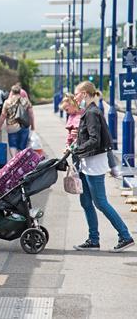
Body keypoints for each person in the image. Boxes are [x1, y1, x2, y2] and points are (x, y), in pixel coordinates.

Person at [72, 81, 134, 252]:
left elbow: (95, 140)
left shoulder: (92, 113)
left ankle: (125, 236)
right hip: (87, 164)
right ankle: (93, 240)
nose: (75, 98)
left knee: (100, 202)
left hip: (94, 165)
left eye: (76, 94)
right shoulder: (91, 111)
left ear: (84, 93)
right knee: (86, 202)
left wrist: (77, 148)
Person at [59, 93, 120, 176]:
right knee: (76, 156)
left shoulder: (87, 113)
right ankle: (77, 173)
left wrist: (79, 133)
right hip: (76, 143)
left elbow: (91, 130)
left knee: (105, 149)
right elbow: (69, 134)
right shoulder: (71, 117)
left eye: (67, 109)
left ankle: (113, 167)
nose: (67, 112)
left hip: (85, 142)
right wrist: (68, 144)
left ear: (72, 104)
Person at [0, 84, 35, 157]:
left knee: (13, 145)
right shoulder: (26, 101)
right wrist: (32, 126)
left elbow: (3, 115)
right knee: (22, 146)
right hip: (24, 126)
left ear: (12, 92)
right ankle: (20, 161)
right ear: (20, 92)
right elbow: (31, 114)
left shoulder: (7, 102)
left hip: (12, 127)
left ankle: (14, 159)